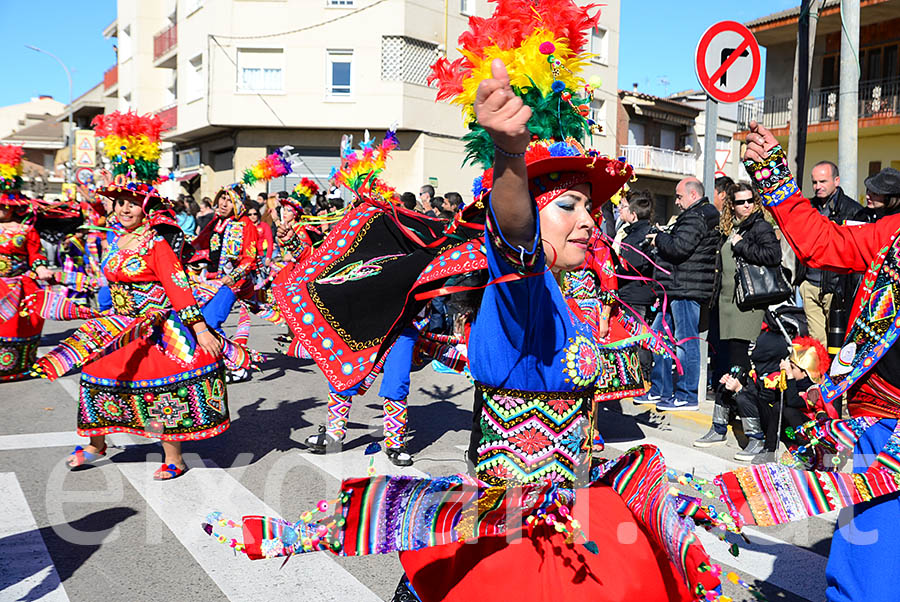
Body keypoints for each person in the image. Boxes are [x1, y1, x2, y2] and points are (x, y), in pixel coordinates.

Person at [741, 121, 900, 599]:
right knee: (871, 565)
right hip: (887, 420)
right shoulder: (893, 234)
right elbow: (823, 243)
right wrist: (774, 175)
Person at [34, 111, 225, 480]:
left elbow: (178, 288)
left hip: (157, 328)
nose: (124, 206)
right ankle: (97, 443)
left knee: (165, 384)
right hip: (117, 325)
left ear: (145, 206)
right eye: (119, 200)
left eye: (133, 201)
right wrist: (59, 278)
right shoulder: (115, 240)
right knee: (95, 376)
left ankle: (175, 456)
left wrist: (200, 330)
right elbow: (103, 281)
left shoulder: (156, 243)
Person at [645, 177, 720, 411]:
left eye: (679, 196)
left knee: (685, 342)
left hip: (687, 289)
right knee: (657, 338)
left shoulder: (698, 216)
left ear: (693, 195)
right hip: (675, 288)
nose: (676, 202)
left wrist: (660, 238)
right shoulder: (694, 215)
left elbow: (679, 247)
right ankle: (660, 389)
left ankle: (687, 394)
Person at [712, 183, 781, 382]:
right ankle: (732, 399)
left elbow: (773, 255)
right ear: (732, 205)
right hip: (727, 300)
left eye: (750, 201)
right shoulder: (730, 227)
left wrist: (742, 245)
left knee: (740, 355)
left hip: (747, 300)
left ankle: (743, 400)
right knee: (730, 354)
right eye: (741, 202)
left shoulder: (759, 226)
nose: (746, 205)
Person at [0, 145, 57, 380]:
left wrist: (41, 267)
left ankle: (15, 367)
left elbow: (36, 254)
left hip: (19, 286)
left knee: (19, 324)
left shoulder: (26, 230)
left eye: (5, 204)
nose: (2, 208)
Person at [796, 160, 867, 346]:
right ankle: (819, 376)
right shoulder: (809, 208)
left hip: (837, 289)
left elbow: (856, 251)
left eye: (823, 181)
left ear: (836, 180)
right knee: (816, 345)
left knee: (838, 343)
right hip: (810, 283)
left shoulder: (853, 211)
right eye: (814, 182)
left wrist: (848, 288)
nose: (817, 187)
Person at [615, 190, 657, 383]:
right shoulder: (635, 233)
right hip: (635, 292)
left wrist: (615, 266)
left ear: (633, 214)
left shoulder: (639, 236)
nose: (619, 210)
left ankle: (642, 376)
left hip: (635, 294)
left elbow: (632, 264)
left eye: (623, 207)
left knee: (638, 338)